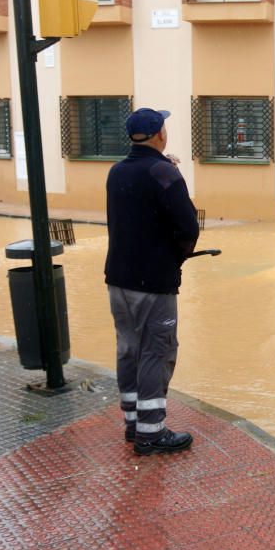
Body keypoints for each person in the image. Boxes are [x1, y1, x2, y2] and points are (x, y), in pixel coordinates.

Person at [105, 108, 199, 455]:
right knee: (156, 352)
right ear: (159, 134)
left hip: (117, 280)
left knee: (129, 348)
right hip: (152, 284)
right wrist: (175, 259)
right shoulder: (163, 173)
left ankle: (133, 423)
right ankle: (151, 432)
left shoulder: (116, 172)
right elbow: (188, 228)